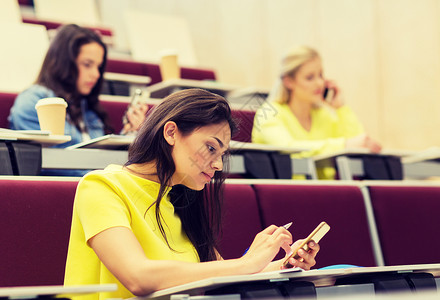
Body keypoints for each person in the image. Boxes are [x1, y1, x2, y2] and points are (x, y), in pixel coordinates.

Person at [64, 89, 320, 300]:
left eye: (222, 155)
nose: (219, 165)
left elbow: (216, 275)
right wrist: (248, 262)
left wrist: (285, 264)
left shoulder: (181, 198)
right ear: (171, 132)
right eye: (211, 148)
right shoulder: (100, 187)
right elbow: (139, 278)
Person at [8, 24, 147, 175]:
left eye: (99, 67)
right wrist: (112, 176)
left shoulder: (86, 105)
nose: (96, 74)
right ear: (64, 63)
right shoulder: (34, 101)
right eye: (87, 65)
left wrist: (131, 133)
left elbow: (97, 157)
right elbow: (50, 164)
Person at [252, 46, 381, 179]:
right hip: (285, 194)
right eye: (310, 77)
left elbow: (360, 144)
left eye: (321, 75)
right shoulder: (267, 114)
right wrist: (343, 145)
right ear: (288, 81)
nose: (320, 83)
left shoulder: (323, 115)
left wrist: (341, 108)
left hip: (324, 194)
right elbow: (288, 148)